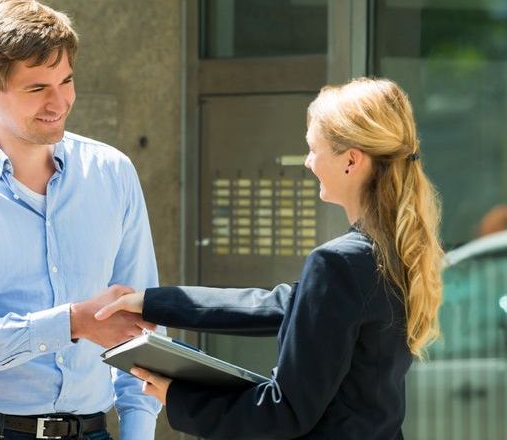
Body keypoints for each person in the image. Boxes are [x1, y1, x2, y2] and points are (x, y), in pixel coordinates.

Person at [96, 77, 444, 439]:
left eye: (313, 148)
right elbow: (277, 305)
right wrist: (150, 303)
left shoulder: (339, 263)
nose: (308, 162)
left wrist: (178, 397)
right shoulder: (397, 252)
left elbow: (283, 413)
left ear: (351, 161)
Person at [0, 1, 161, 439]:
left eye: (67, 80)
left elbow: (142, 324)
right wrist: (71, 323)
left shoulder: (112, 173)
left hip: (92, 430)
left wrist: (137, 431)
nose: (59, 102)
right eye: (37, 88)